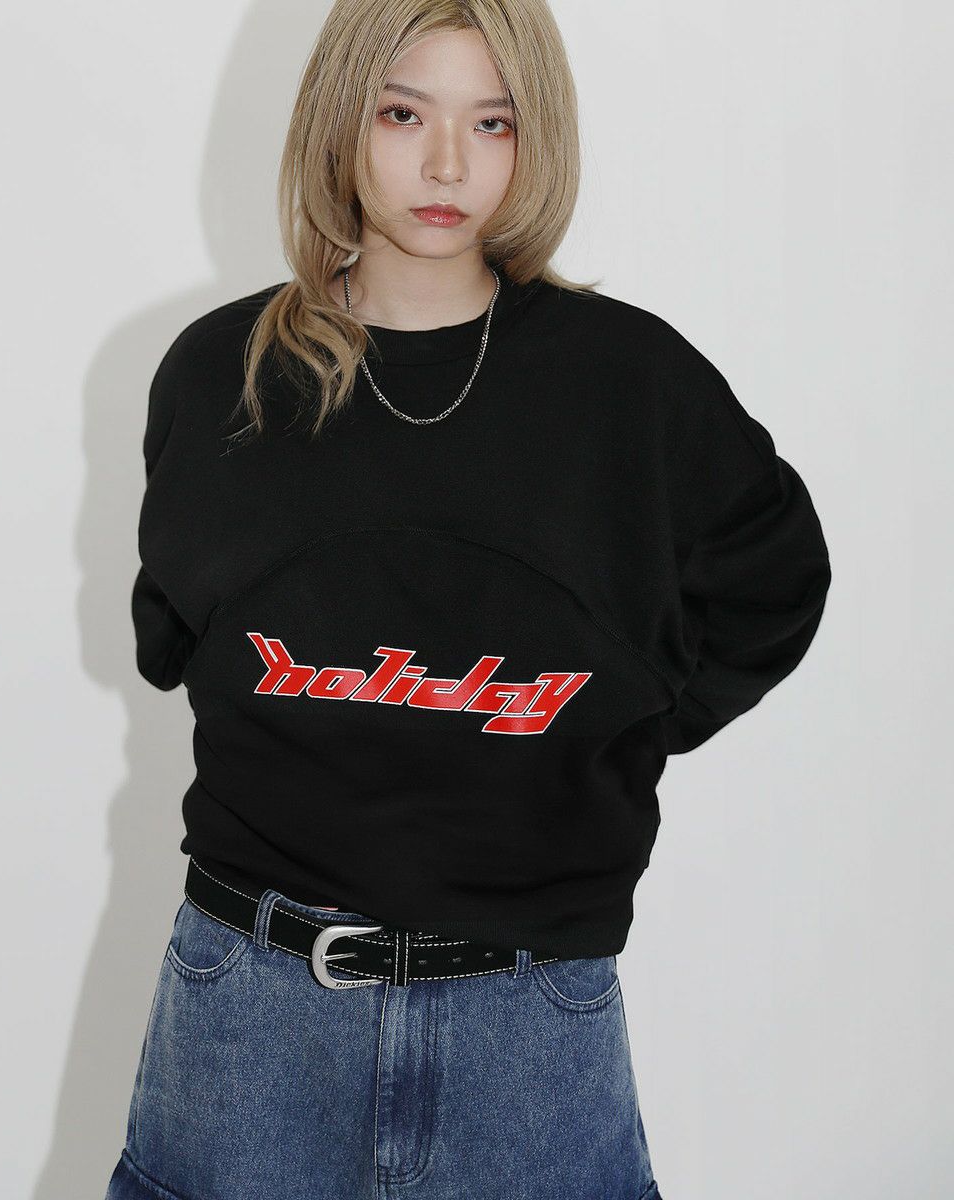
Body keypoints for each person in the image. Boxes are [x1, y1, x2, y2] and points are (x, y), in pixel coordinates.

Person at [105, 2, 832, 1197]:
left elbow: (774, 578)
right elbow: (173, 629)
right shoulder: (222, 371)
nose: (447, 165)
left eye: (492, 123)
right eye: (404, 115)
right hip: (253, 1010)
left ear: (536, 139)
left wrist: (614, 724)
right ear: (339, 120)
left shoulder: (629, 382)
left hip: (527, 1022)